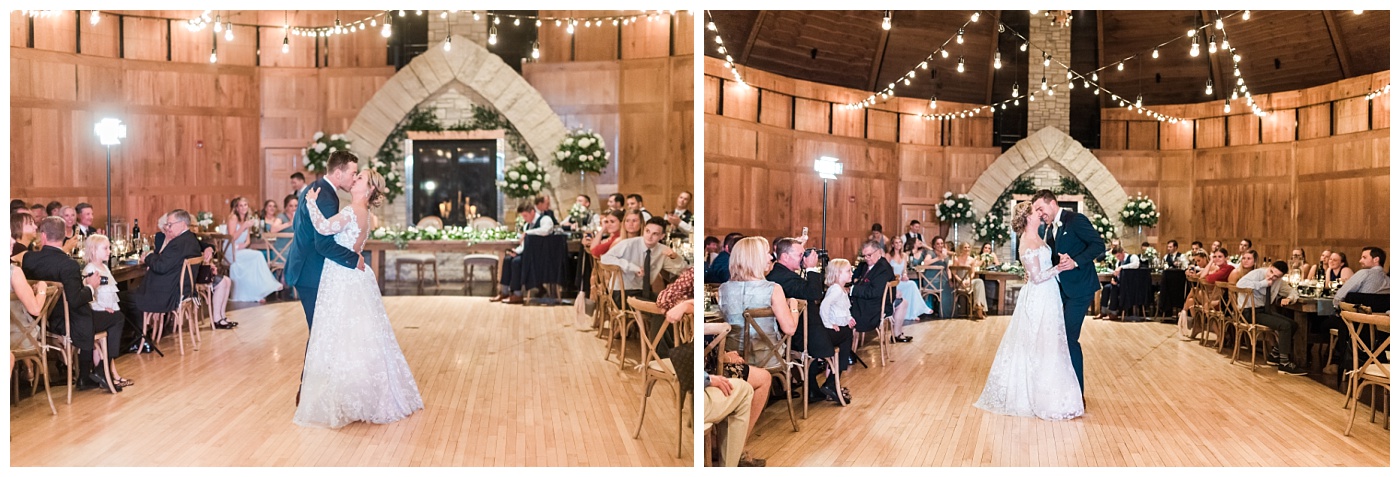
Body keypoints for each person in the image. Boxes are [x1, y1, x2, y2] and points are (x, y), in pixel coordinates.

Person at [294, 169, 423, 428]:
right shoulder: (362, 213)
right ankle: (359, 396)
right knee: (357, 337)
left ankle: (348, 398)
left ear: (370, 189)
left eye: (361, 178)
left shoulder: (353, 211)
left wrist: (309, 201)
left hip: (343, 276)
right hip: (351, 274)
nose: (355, 180)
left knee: (342, 336)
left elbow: (322, 227)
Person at [974, 201, 1083, 420]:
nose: (1040, 213)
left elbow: (1039, 270)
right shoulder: (1026, 241)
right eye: (1036, 211)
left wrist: (1057, 265)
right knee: (1037, 343)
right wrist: (1059, 268)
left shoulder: (1039, 236)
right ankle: (1033, 394)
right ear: (1027, 217)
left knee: (1050, 343)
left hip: (1049, 294)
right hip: (1039, 296)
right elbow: (1036, 277)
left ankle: (1053, 391)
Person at [21, 217, 124, 392]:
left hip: (40, 320)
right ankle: (99, 370)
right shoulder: (68, 264)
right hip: (68, 323)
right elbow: (75, 300)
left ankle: (85, 378)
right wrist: (91, 286)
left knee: (89, 316)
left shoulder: (29, 259)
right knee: (117, 317)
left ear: (43, 236)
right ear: (65, 238)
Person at [718, 236, 795, 464]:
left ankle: (725, 443)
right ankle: (736, 449)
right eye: (766, 254)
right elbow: (789, 329)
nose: (771, 257)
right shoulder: (773, 288)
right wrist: (794, 309)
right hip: (765, 357)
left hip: (732, 359)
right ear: (755, 259)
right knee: (765, 378)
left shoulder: (723, 289)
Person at [1031, 189, 1105, 394]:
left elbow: (1099, 245)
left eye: (1041, 208)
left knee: (1068, 338)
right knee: (1056, 338)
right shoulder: (1048, 229)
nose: (1039, 213)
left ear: (1052, 203)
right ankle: (1060, 388)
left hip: (1080, 289)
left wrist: (1075, 261)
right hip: (1060, 291)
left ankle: (1077, 394)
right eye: (1036, 211)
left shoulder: (1076, 220)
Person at [287, 151, 367, 331]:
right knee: (319, 333)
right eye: (353, 173)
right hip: (311, 271)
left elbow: (297, 224)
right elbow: (323, 244)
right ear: (339, 173)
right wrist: (354, 259)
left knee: (319, 333)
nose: (354, 179)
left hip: (303, 267)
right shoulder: (326, 197)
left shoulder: (314, 188)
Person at [767, 235, 839, 402]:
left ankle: (813, 388)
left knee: (830, 329)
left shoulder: (782, 273)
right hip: (799, 335)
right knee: (845, 334)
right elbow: (813, 293)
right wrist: (811, 268)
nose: (803, 258)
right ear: (785, 257)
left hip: (803, 329)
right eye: (799, 255)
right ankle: (830, 384)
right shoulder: (781, 278)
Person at [80, 235, 133, 389]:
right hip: (97, 312)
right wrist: (103, 308)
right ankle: (106, 372)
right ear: (93, 251)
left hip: (107, 310)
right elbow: (89, 295)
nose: (109, 251)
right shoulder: (90, 269)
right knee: (117, 320)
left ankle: (108, 372)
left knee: (111, 330)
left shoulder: (104, 267)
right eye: (105, 248)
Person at [1234, 261, 1305, 375]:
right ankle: (1284, 363)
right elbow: (1240, 284)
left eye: (1276, 276)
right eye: (1271, 272)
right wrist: (1263, 283)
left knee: (1293, 324)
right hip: (1249, 312)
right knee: (1285, 326)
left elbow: (1293, 291)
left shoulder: (1278, 282)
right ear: (1270, 267)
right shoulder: (1257, 274)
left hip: (1264, 311)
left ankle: (1275, 355)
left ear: (1281, 277)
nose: (1271, 276)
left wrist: (1290, 298)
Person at [601, 217, 687, 302]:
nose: (649, 236)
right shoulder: (628, 244)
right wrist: (631, 267)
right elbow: (605, 258)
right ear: (644, 230)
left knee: (671, 303)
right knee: (658, 308)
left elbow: (683, 270)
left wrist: (675, 257)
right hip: (622, 293)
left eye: (655, 234)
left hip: (644, 292)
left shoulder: (662, 250)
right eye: (647, 231)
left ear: (662, 236)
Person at [224, 197, 283, 302]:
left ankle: (256, 293)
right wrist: (243, 227)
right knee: (257, 256)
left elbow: (247, 240)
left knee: (255, 257)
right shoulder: (233, 218)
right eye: (241, 205)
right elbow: (231, 237)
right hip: (230, 249)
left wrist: (244, 244)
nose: (243, 208)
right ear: (237, 208)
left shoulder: (247, 219)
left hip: (240, 249)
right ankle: (269, 284)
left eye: (245, 205)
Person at [818, 258, 857, 404]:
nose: (851, 273)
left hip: (838, 327)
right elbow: (824, 307)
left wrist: (849, 318)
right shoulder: (835, 290)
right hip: (830, 331)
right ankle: (832, 382)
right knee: (847, 335)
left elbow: (842, 309)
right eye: (848, 271)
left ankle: (832, 382)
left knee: (847, 333)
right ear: (838, 273)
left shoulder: (840, 289)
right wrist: (828, 324)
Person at [850, 239, 899, 342]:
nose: (866, 258)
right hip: (868, 304)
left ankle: (846, 350)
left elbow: (874, 292)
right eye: (864, 256)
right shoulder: (869, 265)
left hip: (874, 310)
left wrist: (853, 289)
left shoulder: (883, 268)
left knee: (842, 316)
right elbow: (855, 278)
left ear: (879, 252)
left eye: (869, 255)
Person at [888, 236, 933, 327]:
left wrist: (905, 276)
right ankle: (920, 310)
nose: (898, 244)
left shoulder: (904, 255)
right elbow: (886, 271)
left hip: (901, 280)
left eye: (900, 242)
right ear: (892, 245)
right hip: (892, 281)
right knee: (912, 284)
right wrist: (895, 278)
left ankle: (912, 313)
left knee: (911, 284)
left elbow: (904, 270)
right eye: (896, 243)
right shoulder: (888, 256)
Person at [910, 236, 953, 317]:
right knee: (945, 287)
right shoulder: (931, 253)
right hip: (931, 280)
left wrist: (950, 279)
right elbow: (925, 263)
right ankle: (944, 314)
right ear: (934, 245)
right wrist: (938, 258)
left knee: (951, 287)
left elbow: (948, 269)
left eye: (941, 243)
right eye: (938, 244)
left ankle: (948, 313)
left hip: (943, 279)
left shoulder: (945, 255)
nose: (940, 245)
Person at [1098, 245, 1140, 320]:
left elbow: (1136, 265)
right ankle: (1103, 311)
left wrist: (1122, 267)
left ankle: (1113, 313)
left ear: (1123, 252)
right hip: (1120, 283)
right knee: (1106, 288)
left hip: (1130, 285)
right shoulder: (1118, 262)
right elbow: (1117, 274)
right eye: (1116, 257)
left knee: (1114, 288)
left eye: (1119, 256)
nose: (1118, 258)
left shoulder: (1133, 257)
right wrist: (1113, 279)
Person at [949, 242, 987, 319]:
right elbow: (954, 273)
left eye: (968, 247)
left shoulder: (972, 260)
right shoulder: (956, 259)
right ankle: (979, 308)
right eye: (965, 247)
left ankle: (978, 304)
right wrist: (961, 281)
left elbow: (973, 273)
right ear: (961, 249)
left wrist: (969, 279)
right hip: (959, 282)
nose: (967, 249)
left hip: (968, 281)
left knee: (979, 282)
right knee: (978, 284)